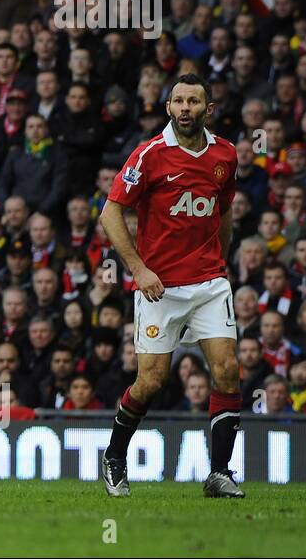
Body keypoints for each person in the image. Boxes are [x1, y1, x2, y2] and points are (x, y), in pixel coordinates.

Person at [98, 73, 244, 498]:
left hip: (209, 281)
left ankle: (219, 473)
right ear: (168, 108)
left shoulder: (226, 155)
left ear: (207, 109)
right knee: (151, 381)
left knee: (228, 371)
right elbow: (111, 214)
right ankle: (114, 457)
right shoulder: (149, 155)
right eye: (178, 101)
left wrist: (222, 261)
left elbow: (224, 212)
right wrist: (139, 270)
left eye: (193, 102)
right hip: (158, 286)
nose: (185, 108)